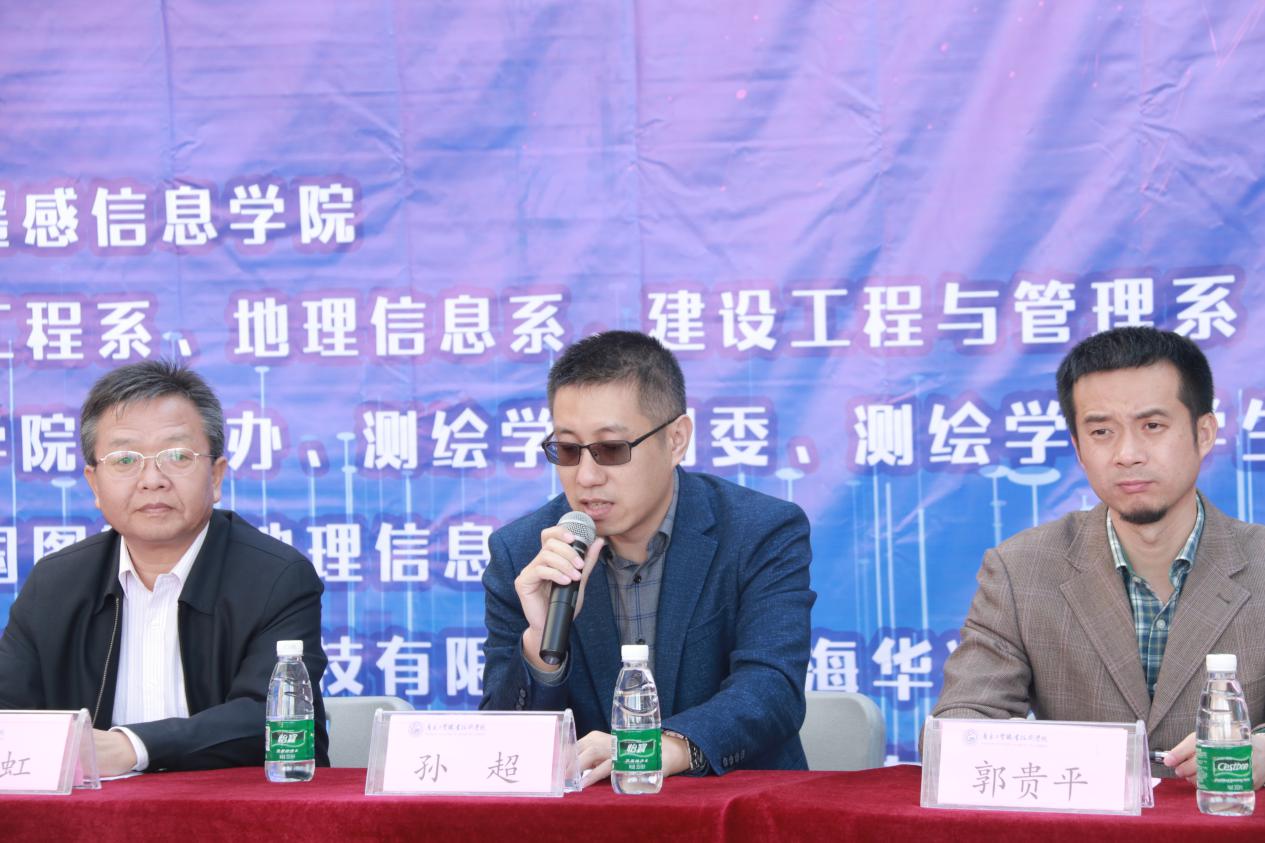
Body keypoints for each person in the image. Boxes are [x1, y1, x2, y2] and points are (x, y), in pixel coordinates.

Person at [932, 327, 1265, 787]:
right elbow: (960, 726)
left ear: (1203, 433)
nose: (1127, 454)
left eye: (1152, 426)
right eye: (1102, 432)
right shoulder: (1020, 570)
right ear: (1079, 448)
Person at [480, 330, 815, 784]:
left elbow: (770, 689)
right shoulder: (523, 553)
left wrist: (661, 747)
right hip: (589, 815)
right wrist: (541, 645)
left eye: (611, 449)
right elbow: (504, 744)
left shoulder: (759, 531)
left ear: (676, 440)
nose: (587, 476)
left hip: (734, 804)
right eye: (569, 449)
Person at [0, 360, 329, 774]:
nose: (152, 479)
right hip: (91, 812)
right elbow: (8, 716)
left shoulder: (277, 577)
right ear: (94, 483)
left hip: (231, 808)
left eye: (177, 455)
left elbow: (271, 721)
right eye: (124, 459)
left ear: (216, 476)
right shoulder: (55, 584)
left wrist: (132, 746)